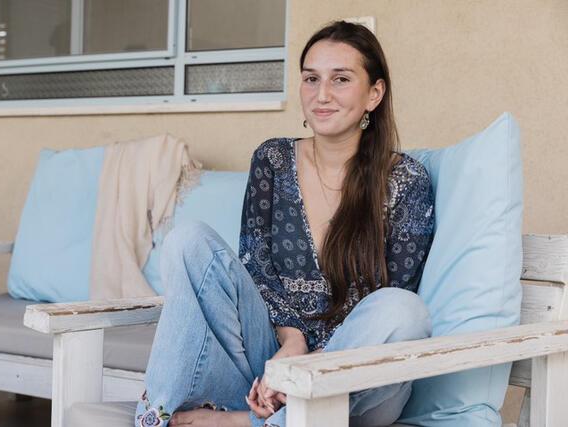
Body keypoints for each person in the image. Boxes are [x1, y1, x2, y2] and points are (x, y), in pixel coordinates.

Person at [135, 20, 435, 427]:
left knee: (403, 309)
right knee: (187, 241)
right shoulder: (273, 160)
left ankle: (251, 423)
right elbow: (256, 267)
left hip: (354, 380)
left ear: (374, 94)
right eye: (311, 79)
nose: (322, 95)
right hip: (270, 361)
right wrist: (290, 345)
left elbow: (390, 293)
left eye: (341, 79)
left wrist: (306, 368)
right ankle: (158, 419)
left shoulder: (406, 181)